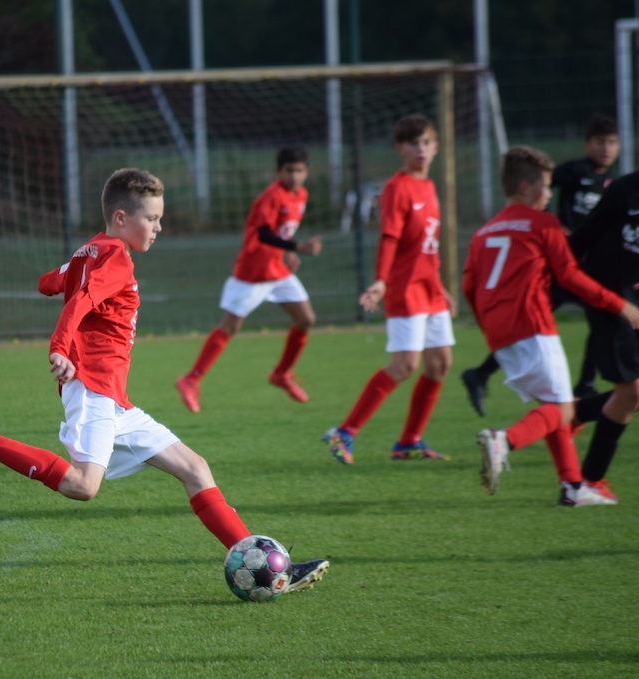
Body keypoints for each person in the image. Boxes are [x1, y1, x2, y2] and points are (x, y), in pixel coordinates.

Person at [0, 168, 329, 593]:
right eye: (152, 218)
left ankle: (264, 565)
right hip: (92, 387)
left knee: (195, 468)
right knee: (82, 485)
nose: (158, 228)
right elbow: (80, 299)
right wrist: (60, 346)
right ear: (122, 218)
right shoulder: (117, 258)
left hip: (114, 398)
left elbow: (48, 283)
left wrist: (74, 266)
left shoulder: (92, 250)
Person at [462, 147, 639, 505]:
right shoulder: (543, 224)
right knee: (564, 410)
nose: (549, 194)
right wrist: (619, 304)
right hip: (533, 325)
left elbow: (469, 286)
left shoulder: (483, 232)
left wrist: (489, 329)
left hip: (499, 332)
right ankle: (503, 441)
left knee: (554, 403)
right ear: (525, 188)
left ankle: (572, 487)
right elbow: (570, 275)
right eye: (545, 186)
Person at [461, 114, 620, 415]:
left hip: (575, 264)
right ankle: (509, 430)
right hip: (556, 263)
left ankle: (482, 374)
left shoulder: (612, 182)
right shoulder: (574, 173)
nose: (606, 148)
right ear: (586, 144)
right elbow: (536, 186)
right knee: (583, 317)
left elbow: (469, 286)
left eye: (612, 142)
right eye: (600, 142)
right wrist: (549, 225)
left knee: (561, 328)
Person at [322, 114, 454, 464]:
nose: (421, 150)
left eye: (426, 143)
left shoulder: (429, 186)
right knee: (406, 364)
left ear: (436, 147)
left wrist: (440, 286)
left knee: (440, 363)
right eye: (413, 144)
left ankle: (409, 441)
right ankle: (344, 432)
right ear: (400, 149)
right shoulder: (397, 187)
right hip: (405, 287)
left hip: (430, 288)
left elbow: (428, 245)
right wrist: (381, 280)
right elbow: (390, 238)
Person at [174, 147, 321, 412]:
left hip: (277, 269)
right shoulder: (271, 196)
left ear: (307, 172)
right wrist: (297, 247)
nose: (295, 176)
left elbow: (280, 230)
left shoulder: (301, 195)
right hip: (254, 271)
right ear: (278, 171)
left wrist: (286, 252)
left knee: (306, 318)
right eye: (289, 170)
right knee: (231, 326)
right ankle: (191, 379)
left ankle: (281, 374)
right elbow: (263, 233)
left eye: (299, 170)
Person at [565, 163, 639, 502]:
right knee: (631, 392)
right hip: (611, 301)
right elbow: (583, 239)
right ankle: (589, 481)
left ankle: (572, 415)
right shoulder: (623, 191)